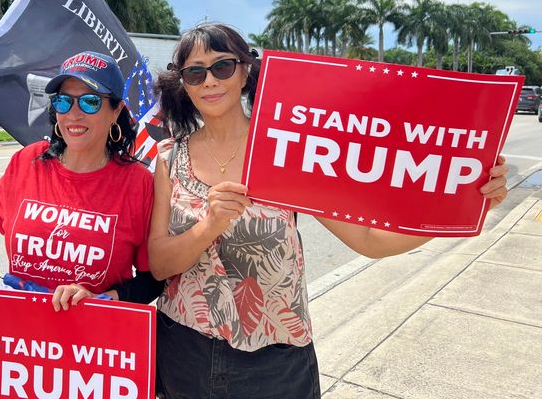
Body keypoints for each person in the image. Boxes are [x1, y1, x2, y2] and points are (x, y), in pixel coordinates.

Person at [148, 23, 509, 398]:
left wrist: (462, 209)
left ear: (244, 71)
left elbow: (369, 239)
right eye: (195, 72)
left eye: (222, 66)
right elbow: (158, 263)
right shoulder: (170, 158)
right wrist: (208, 226)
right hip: (185, 353)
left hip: (276, 364)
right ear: (184, 84)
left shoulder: (289, 149)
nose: (209, 81)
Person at [0, 50, 163, 310]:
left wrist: (102, 300)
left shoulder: (139, 184)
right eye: (64, 101)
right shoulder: (28, 160)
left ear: (116, 111)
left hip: (93, 344)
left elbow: (153, 278)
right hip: (25, 338)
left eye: (90, 102)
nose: (74, 114)